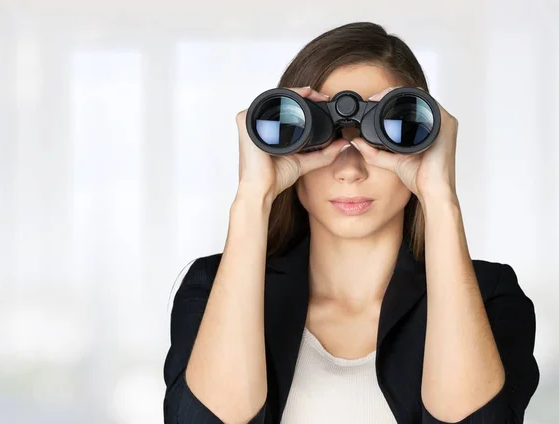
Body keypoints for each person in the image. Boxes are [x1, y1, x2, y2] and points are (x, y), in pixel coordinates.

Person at [163, 22, 540, 424]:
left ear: (422, 140)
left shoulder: (487, 295)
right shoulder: (213, 286)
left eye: (381, 136)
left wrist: (440, 196)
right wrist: (254, 196)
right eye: (321, 137)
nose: (350, 170)